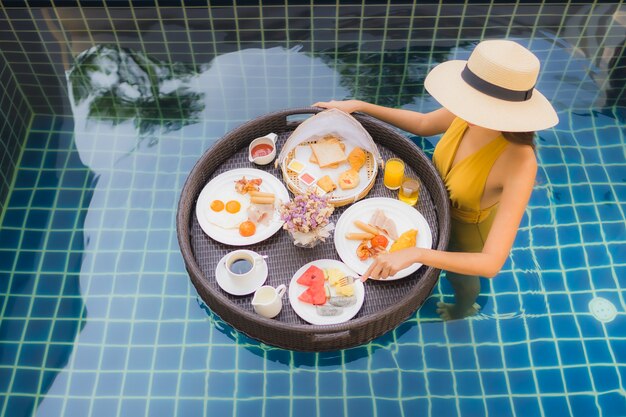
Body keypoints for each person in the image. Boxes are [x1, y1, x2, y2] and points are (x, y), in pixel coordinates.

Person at [314, 39, 559, 320]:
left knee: (460, 279)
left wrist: (418, 254)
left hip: (464, 232)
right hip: (428, 205)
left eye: (481, 105)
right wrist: (360, 106)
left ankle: (463, 308)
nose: (468, 109)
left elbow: (491, 263)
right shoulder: (469, 111)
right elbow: (423, 124)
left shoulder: (520, 160)